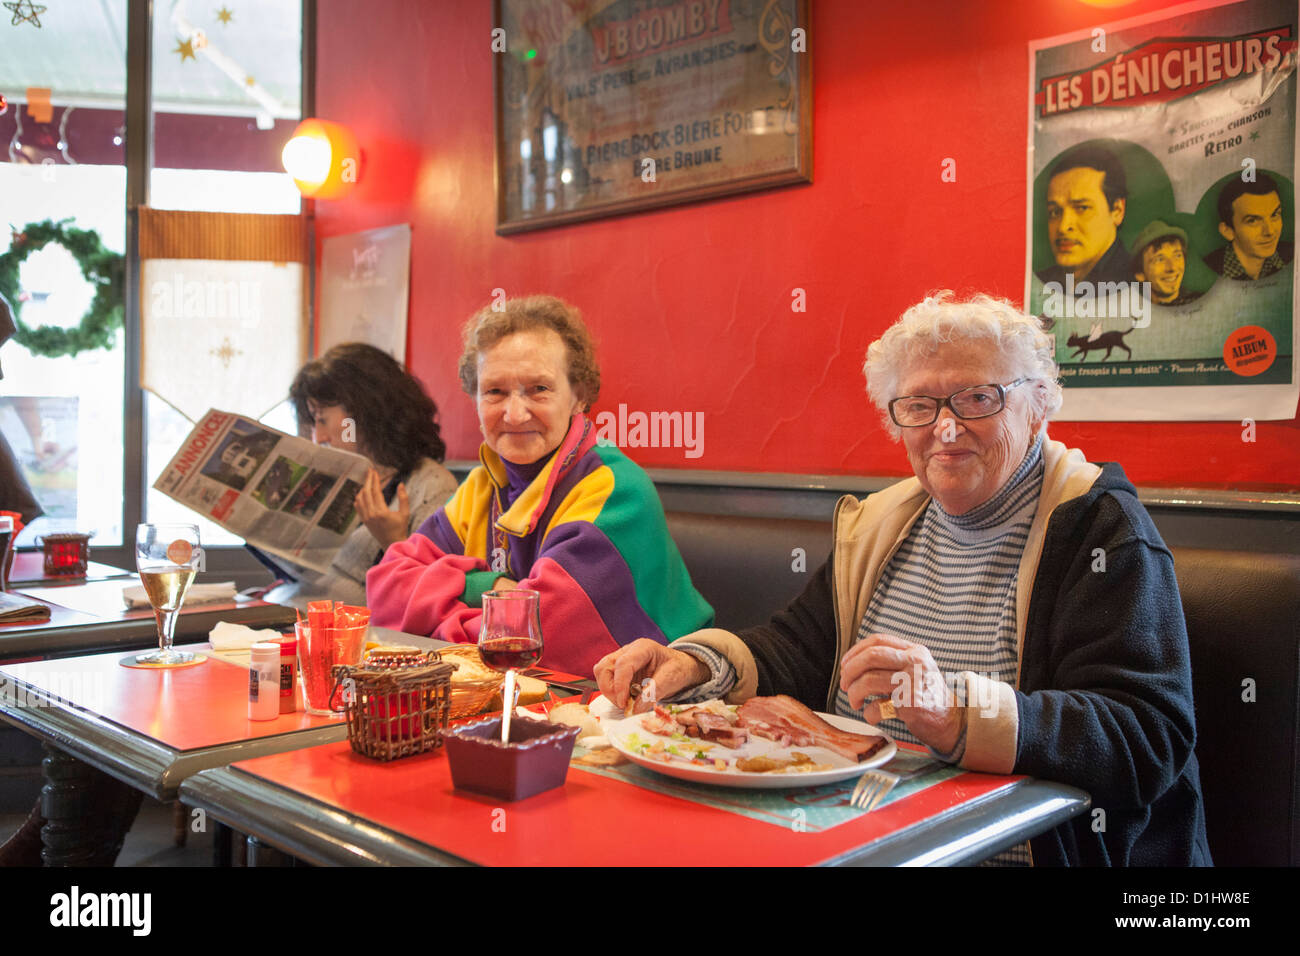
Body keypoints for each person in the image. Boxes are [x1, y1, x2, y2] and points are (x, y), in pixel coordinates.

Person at [595, 292, 1211, 867]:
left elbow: (1147, 738)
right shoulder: (885, 523)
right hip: (855, 837)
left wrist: (958, 714)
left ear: (1040, 403)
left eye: (977, 399)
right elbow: (799, 650)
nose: (945, 429)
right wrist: (698, 666)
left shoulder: (1099, 529)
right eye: (920, 406)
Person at [366, 295, 713, 677]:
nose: (514, 413)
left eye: (538, 389)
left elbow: (532, 641)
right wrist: (489, 585)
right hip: (528, 696)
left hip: (661, 706)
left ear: (578, 395)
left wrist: (435, 616)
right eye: (494, 392)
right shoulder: (484, 480)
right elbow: (385, 585)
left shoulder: (613, 488)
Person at [262, 343, 458, 609]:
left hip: (363, 633)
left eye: (322, 419)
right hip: (291, 612)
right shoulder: (325, 479)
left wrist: (393, 541)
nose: (318, 438)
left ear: (363, 415)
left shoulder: (429, 485)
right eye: (313, 422)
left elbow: (434, 593)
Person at [1038, 144, 1132, 288]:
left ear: (1117, 210)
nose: (1063, 227)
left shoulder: (1140, 282)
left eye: (1082, 208)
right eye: (1054, 212)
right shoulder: (1040, 282)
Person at [1204, 174, 1294, 280]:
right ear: (1227, 231)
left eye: (1274, 215)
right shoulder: (1206, 271)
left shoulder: (1292, 254)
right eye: (1253, 221)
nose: (1270, 231)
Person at [1132, 220, 1200, 305]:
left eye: (1177, 256)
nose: (1172, 268)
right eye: (1160, 259)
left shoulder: (1201, 304)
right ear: (1139, 274)